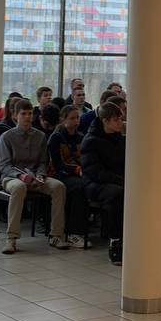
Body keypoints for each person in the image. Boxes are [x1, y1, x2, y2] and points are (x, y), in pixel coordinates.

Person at [0, 98, 70, 254]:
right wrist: (20, 175)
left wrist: (41, 175)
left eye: (30, 113)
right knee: (19, 187)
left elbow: (43, 161)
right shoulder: (6, 137)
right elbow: (4, 166)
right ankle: (11, 238)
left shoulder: (40, 136)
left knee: (59, 187)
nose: (28, 117)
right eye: (23, 114)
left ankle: (56, 235)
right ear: (15, 115)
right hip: (12, 178)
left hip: (35, 176)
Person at [82, 101, 127, 264]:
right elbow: (94, 171)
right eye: (116, 120)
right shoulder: (91, 141)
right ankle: (115, 242)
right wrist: (122, 180)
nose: (120, 122)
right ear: (105, 121)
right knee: (117, 195)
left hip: (117, 180)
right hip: (95, 184)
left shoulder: (120, 139)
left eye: (120, 119)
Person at [48, 104, 92, 247]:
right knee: (79, 188)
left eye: (77, 117)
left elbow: (85, 157)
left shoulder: (81, 136)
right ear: (63, 119)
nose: (76, 121)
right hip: (59, 174)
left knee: (88, 185)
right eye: (72, 118)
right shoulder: (56, 138)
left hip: (78, 172)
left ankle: (84, 227)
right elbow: (57, 164)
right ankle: (74, 233)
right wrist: (76, 170)